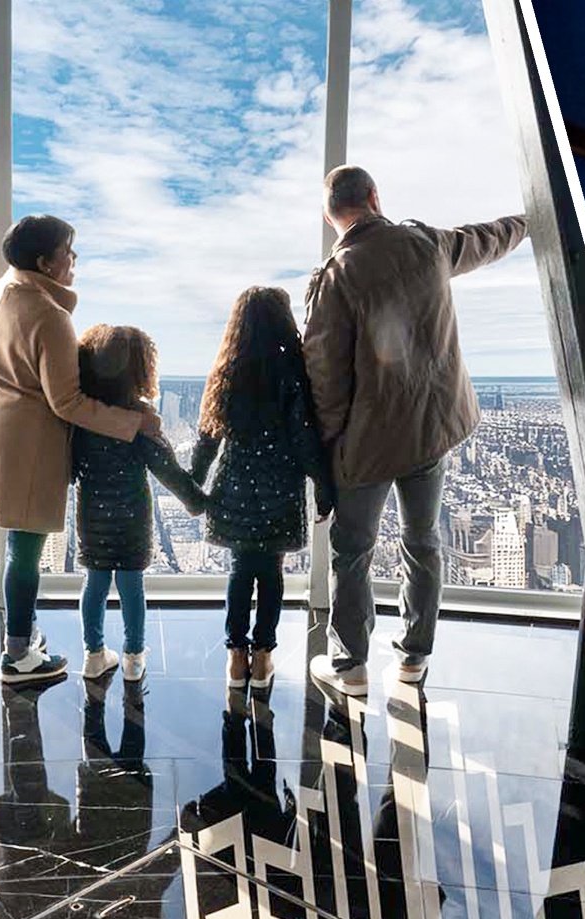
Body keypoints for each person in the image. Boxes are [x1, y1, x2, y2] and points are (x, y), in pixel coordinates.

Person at [302, 164, 528, 696]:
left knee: (352, 549)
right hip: (433, 429)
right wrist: (528, 220)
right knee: (422, 540)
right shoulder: (426, 244)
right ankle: (413, 657)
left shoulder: (337, 275)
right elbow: (487, 239)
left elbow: (325, 376)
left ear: (331, 215)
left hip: (371, 440)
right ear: (375, 197)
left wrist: (331, 447)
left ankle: (351, 665)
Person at [0, 215, 162, 682]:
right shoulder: (50, 316)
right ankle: (18, 655)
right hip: (28, 442)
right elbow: (68, 401)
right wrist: (133, 422)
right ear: (45, 262)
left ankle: (24, 631)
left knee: (16, 541)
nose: (74, 261)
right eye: (67, 252)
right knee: (27, 550)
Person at [192, 287, 335, 690]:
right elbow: (305, 438)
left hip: (235, 486)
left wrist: (194, 484)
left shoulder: (227, 369)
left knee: (240, 572)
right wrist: (323, 486)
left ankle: (236, 657)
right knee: (271, 574)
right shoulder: (291, 371)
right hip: (279, 488)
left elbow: (208, 436)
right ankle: (264, 655)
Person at [73, 324, 206, 681]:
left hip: (92, 516)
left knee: (95, 583)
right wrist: (196, 502)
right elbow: (168, 470)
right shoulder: (138, 420)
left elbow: (68, 465)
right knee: (132, 586)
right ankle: (133, 658)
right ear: (141, 370)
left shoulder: (82, 419)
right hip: (131, 517)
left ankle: (93, 654)